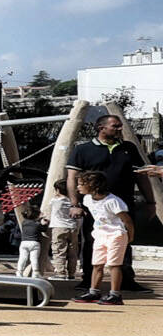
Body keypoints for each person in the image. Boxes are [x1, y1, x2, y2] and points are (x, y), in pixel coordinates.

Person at [67, 112, 146, 292]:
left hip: (122, 204)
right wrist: (75, 204)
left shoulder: (129, 148)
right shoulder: (82, 149)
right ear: (101, 128)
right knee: (92, 241)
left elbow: (141, 176)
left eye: (119, 126)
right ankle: (89, 279)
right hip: (94, 206)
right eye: (115, 126)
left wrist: (150, 202)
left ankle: (126, 280)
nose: (119, 129)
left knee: (123, 240)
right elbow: (72, 177)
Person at [73, 169, 133, 305]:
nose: (78, 187)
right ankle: (94, 291)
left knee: (114, 265)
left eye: (81, 184)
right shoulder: (87, 199)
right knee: (97, 264)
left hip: (116, 235)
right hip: (100, 234)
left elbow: (127, 220)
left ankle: (115, 294)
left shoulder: (113, 201)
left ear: (93, 185)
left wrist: (130, 236)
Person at [45, 186, 80, 281]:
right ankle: (72, 274)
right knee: (73, 252)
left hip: (59, 227)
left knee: (59, 250)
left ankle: (60, 273)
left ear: (57, 189)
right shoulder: (74, 202)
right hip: (73, 227)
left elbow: (47, 213)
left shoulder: (55, 201)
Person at [15, 200, 44, 281]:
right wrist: (43, 222)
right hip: (34, 243)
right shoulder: (37, 224)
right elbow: (43, 229)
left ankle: (19, 272)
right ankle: (35, 272)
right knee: (34, 258)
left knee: (22, 258)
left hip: (24, 242)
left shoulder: (24, 223)